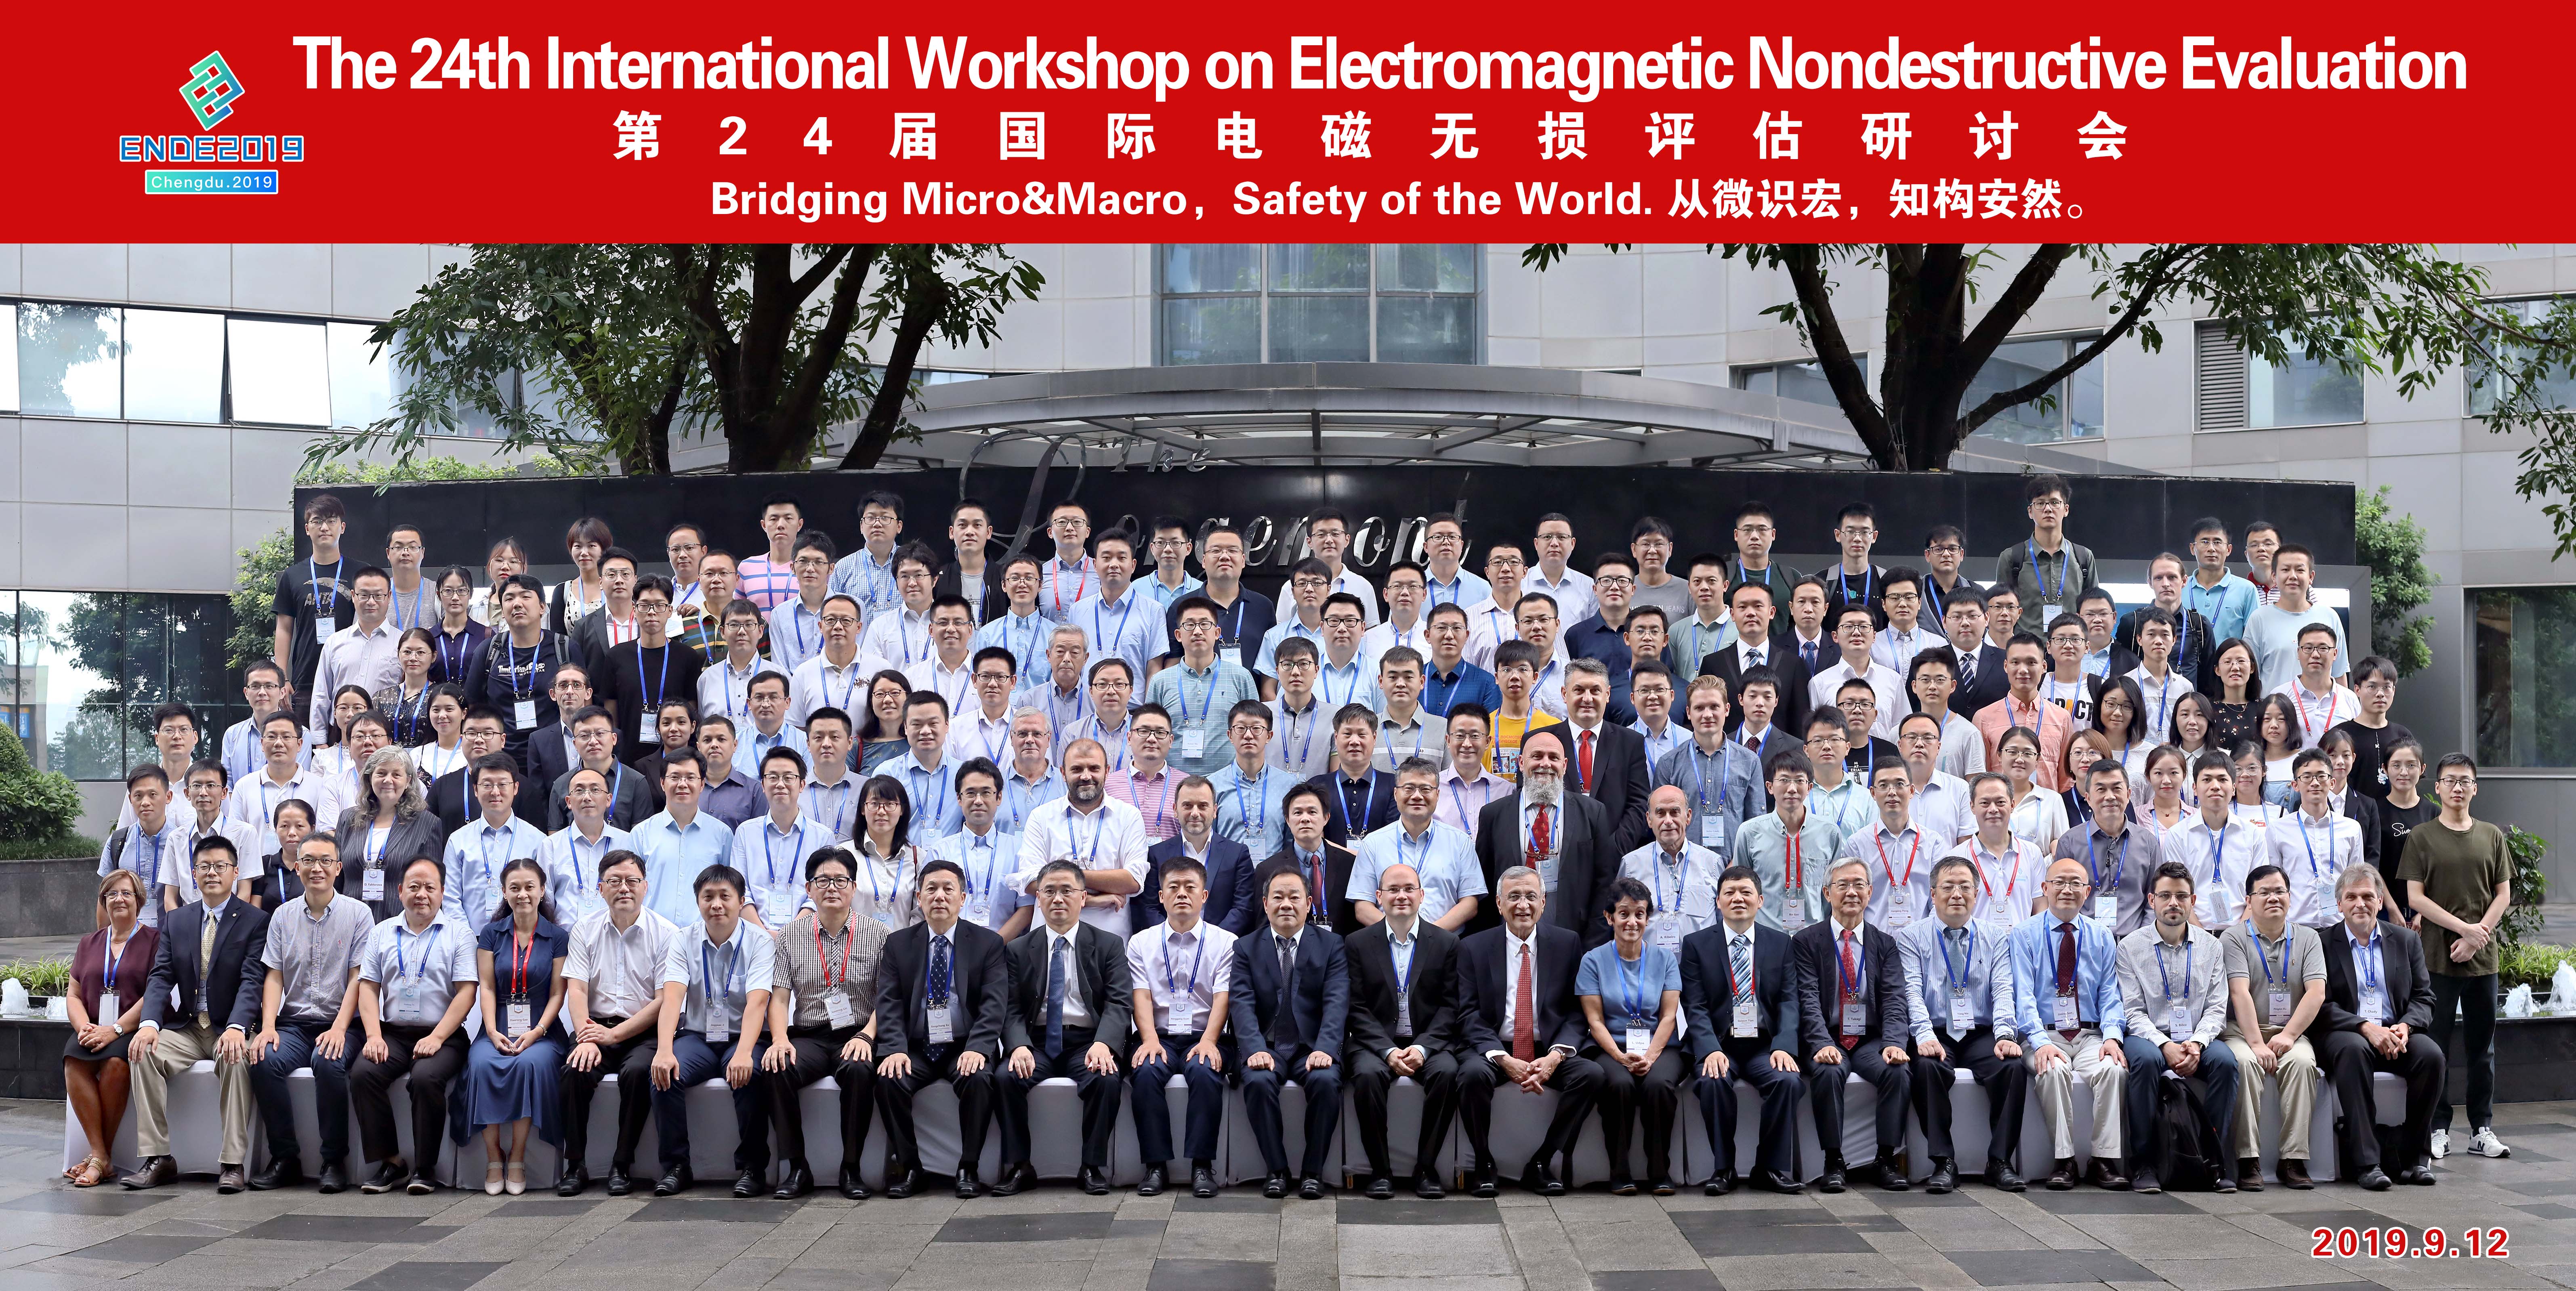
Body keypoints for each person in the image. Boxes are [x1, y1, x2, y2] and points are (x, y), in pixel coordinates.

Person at [1456, 865, 1603, 1197]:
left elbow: (1576, 1012)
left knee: (1591, 1074)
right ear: (1499, 903)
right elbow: (1468, 1013)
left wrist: (1555, 1056)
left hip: (1547, 1047)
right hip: (1495, 1047)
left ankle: (1541, 1161)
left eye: (1531, 896)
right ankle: (1483, 1162)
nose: (1523, 905)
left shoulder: (1567, 943)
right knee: (1471, 1075)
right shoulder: (1473, 947)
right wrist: (1502, 1058)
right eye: (1514, 896)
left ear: (1544, 902)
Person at [990, 860, 1133, 1197]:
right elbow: (1010, 1007)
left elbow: (1119, 1002)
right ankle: (1020, 1165)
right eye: (1050, 891)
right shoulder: (1018, 949)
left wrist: (1105, 1043)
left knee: (1106, 1078)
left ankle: (1092, 1166)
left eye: (1067, 890)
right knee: (1005, 1077)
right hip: (1037, 1042)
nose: (1058, 898)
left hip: (1087, 1041)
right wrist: (1018, 1045)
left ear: (1083, 898)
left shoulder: (1109, 944)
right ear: (1038, 898)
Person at [2399, 752, 2514, 1162]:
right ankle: (2437, 1127)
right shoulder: (2422, 836)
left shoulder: (2491, 835)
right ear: (2438, 787)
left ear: (2475, 788)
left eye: (2465, 781)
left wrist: (2476, 937)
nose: (2458, 787)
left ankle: (2482, 1127)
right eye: (2450, 780)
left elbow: (2503, 894)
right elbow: (2416, 898)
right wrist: (2463, 929)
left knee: (2483, 1048)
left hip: (2483, 961)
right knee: (2436, 1046)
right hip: (2437, 957)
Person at [873, 859, 1010, 1199]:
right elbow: (889, 1003)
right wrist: (895, 1048)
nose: (939, 896)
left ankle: (969, 1167)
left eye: (949, 889)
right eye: (931, 889)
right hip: (916, 1045)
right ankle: (910, 1166)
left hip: (964, 1043)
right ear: (919, 897)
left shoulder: (988, 943)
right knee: (888, 1078)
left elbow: (994, 1005)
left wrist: (978, 1048)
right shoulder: (898, 944)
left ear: (963, 898)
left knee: (979, 1078)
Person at [760, 846, 890, 1200]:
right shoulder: (790, 935)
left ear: (854, 887)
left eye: (840, 880)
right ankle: (797, 1167)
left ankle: (851, 1168)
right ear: (809, 888)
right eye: (823, 880)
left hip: (859, 1033)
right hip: (811, 1036)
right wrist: (780, 1039)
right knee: (777, 1067)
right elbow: (780, 998)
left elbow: (887, 998)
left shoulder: (879, 933)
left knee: (860, 1070)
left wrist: (867, 1036)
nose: (832, 887)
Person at [242, 836, 370, 1193]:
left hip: (344, 1023)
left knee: (328, 1062)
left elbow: (358, 978)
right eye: (309, 861)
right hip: (295, 1024)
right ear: (297, 867)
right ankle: (285, 1158)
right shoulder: (282, 916)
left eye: (326, 861)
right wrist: (268, 1027)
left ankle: (334, 1160)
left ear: (338, 868)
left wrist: (340, 1029)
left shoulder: (359, 914)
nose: (317, 868)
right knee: (264, 1058)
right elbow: (274, 976)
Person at [1901, 855, 2032, 1194]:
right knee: (1926, 1066)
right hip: (1936, 1031)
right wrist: (1924, 1034)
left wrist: (2006, 1034)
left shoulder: (1996, 936)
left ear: (1977, 894)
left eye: (1965, 887)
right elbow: (1911, 991)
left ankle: (1999, 1161)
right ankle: (1943, 1162)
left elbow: (2003, 988)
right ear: (1933, 893)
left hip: (1981, 1032)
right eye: (1948, 887)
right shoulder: (1910, 936)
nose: (1957, 894)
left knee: (2012, 1066)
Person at [348, 856, 475, 1195]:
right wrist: (373, 1035)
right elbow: (368, 987)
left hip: (444, 1035)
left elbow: (467, 992)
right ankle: (392, 1162)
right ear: (400, 891)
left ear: (442, 893)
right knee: (363, 1073)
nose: (422, 894)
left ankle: (425, 1167)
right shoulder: (381, 932)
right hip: (394, 1033)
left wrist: (437, 1037)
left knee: (425, 1078)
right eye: (414, 887)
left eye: (430, 887)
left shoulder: (459, 934)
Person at [649, 863, 776, 1197]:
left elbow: (758, 1002)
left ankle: (753, 1167)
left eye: (725, 896)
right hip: (697, 1037)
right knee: (664, 1072)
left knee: (752, 1073)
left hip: (742, 1037)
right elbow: (672, 998)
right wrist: (664, 1050)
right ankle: (676, 1165)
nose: (716, 904)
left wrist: (745, 1053)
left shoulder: (760, 941)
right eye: (708, 897)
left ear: (741, 901)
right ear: (698, 901)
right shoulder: (683, 939)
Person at [2113, 860, 2240, 1194]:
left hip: (2198, 1035)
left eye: (2181, 896)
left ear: (2193, 901)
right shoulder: (2129, 946)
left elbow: (2217, 1008)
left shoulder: (2212, 946)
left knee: (2226, 1062)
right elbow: (2132, 1011)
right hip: (2148, 1036)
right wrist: (2164, 1045)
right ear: (2151, 900)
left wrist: (2197, 1043)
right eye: (2165, 895)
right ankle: (2143, 1162)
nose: (2173, 903)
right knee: (2145, 1061)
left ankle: (2212, 1161)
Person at [555, 847, 676, 1197]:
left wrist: (615, 1035)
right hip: (594, 1026)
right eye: (614, 881)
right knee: (574, 1071)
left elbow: (663, 1000)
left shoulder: (666, 932)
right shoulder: (584, 929)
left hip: (644, 1032)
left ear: (646, 886)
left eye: (632, 880)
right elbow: (577, 989)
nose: (624, 888)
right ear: (600, 888)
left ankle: (622, 1164)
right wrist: (587, 1037)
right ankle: (574, 1164)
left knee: (638, 1072)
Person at [2315, 864, 2443, 1190]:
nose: (2360, 903)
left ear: (2380, 900)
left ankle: (2415, 1158)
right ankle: (2367, 1162)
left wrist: (2406, 1026)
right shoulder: (2322, 943)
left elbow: (2424, 996)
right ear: (2339, 903)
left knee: (2432, 1056)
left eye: (2368, 896)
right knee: (2353, 1050)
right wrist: (2364, 1026)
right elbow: (2320, 1005)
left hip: (2395, 1031)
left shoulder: (2405, 940)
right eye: (2351, 897)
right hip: (2347, 1034)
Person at [1677, 865, 1802, 1194]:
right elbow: (1695, 1005)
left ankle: (1768, 1167)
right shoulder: (1696, 944)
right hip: (1720, 1043)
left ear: (1760, 900)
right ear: (1718, 901)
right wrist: (1710, 1049)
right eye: (1729, 893)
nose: (1738, 898)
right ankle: (1724, 1168)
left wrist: (1783, 1045)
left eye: (1746, 892)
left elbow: (1790, 1001)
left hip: (1764, 1045)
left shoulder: (1781, 943)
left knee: (1788, 1080)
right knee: (1712, 1080)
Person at [1790, 856, 1913, 1192]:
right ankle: (1834, 1161)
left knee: (1898, 1070)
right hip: (1828, 1035)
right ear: (1827, 893)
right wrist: (1821, 1043)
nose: (1851, 892)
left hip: (1870, 1038)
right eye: (1843, 885)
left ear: (1870, 892)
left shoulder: (1885, 943)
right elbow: (1807, 999)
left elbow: (1895, 999)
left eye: (1859, 885)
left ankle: (1885, 1159)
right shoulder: (1806, 941)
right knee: (1827, 1071)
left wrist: (1894, 1043)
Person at [2007, 855, 2129, 1190]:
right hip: (2043, 1034)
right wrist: (2039, 1042)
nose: (2067, 889)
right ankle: (2065, 1161)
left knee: (2114, 1069)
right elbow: (2023, 996)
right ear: (2045, 888)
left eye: (2076, 883)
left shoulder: (2102, 935)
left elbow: (2110, 993)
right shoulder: (2024, 934)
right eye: (2059, 882)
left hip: (2090, 1034)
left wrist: (2112, 1036)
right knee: (2052, 1069)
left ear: (2088, 892)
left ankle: (2103, 1160)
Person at [1343, 862, 1462, 1200]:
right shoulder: (1357, 943)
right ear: (1379, 896)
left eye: (1409, 889)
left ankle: (1426, 1168)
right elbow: (1356, 1007)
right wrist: (1388, 1050)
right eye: (1393, 890)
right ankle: (1380, 1171)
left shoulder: (1446, 943)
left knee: (1448, 1072)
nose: (1401, 896)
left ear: (1422, 895)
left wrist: (1423, 1048)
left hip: (1428, 1042)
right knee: (1367, 1075)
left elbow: (1450, 1007)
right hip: (1374, 1043)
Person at [1126, 856, 1238, 1199]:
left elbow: (1222, 998)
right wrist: (1149, 1039)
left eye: (1191, 887)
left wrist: (1209, 1041)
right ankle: (1155, 1166)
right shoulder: (1141, 942)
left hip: (1206, 1034)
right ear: (1161, 897)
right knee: (1145, 1071)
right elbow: (1141, 996)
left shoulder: (1226, 941)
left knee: (1205, 1069)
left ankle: (1202, 1166)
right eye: (1173, 887)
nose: (1182, 894)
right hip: (1157, 1034)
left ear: (1205, 895)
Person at [462, 857, 569, 1196]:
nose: (522, 894)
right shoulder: (491, 933)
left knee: (528, 1063)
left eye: (529, 887)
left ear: (542, 891)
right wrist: (491, 1030)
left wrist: (537, 1032)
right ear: (504, 892)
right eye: (515, 888)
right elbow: (487, 986)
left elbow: (558, 993)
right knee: (481, 1063)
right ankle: (495, 1156)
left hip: (542, 1030)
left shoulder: (557, 936)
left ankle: (518, 1157)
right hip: (497, 1025)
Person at [1576, 877, 1685, 1196]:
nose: (1632, 922)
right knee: (1619, 1084)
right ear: (1609, 917)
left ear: (1648, 918)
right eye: (1624, 913)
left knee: (1658, 1085)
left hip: (1660, 1045)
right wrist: (1621, 1057)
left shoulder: (1665, 959)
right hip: (1609, 1046)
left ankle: (1659, 1170)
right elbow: (1595, 1020)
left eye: (1640, 914)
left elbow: (1669, 1016)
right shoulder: (1592, 960)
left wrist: (1649, 1057)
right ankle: (1620, 1171)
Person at [2220, 863, 2325, 1190]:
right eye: (2264, 892)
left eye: (2280, 891)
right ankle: (2247, 1158)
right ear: (2248, 900)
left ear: (2290, 896)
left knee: (2303, 1063)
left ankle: (2293, 1159)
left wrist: (2289, 1035)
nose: (2273, 897)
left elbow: (2316, 992)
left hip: (2290, 1030)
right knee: (2244, 1063)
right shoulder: (2233, 937)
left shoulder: (2308, 937)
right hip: (2243, 1031)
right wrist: (2256, 1043)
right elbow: (2239, 992)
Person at [1469, 727, 1616, 944]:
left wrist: (1591, 944)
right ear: (1521, 763)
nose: (1545, 764)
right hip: (1508, 939)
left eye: (1554, 758)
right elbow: (1484, 885)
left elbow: (1605, 883)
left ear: (1565, 765)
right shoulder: (1493, 815)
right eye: (1537, 756)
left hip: (1574, 939)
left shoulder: (1593, 813)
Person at [64, 871, 159, 1189]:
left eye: (127, 893)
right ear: (103, 901)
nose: (119, 899)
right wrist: (84, 1027)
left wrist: (115, 1029)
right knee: (73, 1060)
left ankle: (97, 1159)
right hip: (94, 1026)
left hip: (131, 1028)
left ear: (139, 901)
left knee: (117, 1063)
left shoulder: (155, 940)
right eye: (112, 894)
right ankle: (101, 1155)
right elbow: (74, 994)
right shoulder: (89, 943)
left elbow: (155, 993)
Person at [1014, 738, 1153, 935]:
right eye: (1077, 769)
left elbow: (1133, 880)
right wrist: (1092, 899)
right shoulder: (1041, 817)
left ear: (1107, 771)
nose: (1086, 776)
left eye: (1094, 769)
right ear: (1063, 773)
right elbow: (1030, 880)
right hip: (1051, 936)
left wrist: (1057, 878)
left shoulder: (1129, 817)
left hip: (1110, 938)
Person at [598, 577, 705, 765]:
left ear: (670, 611)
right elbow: (611, 713)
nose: (652, 612)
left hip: (676, 758)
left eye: (659, 606)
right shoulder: (617, 656)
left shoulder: (688, 657)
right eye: (645, 606)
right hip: (628, 757)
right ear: (634, 609)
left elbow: (692, 710)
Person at [473, 575, 578, 764]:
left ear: (542, 607)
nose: (517, 604)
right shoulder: (489, 651)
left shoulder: (564, 648)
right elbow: (474, 706)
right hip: (501, 757)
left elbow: (584, 704)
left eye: (525, 596)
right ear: (503, 610)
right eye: (509, 598)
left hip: (555, 756)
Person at [2052, 760, 2163, 938]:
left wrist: (2141, 939)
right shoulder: (2069, 843)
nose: (2110, 796)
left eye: (2117, 789)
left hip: (2135, 942)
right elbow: (2062, 899)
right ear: (2088, 798)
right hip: (2083, 941)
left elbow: (2156, 897)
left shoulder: (2148, 843)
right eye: (2101, 789)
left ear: (2128, 795)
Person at [335, 746, 447, 920]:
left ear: (408, 781)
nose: (388, 780)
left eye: (396, 775)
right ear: (370, 777)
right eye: (381, 773)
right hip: (349, 921)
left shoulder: (427, 823)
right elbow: (337, 877)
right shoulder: (348, 818)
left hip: (400, 922)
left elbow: (431, 881)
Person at [1139, 775, 1259, 936]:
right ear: (1175, 810)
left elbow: (1243, 908)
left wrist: (1211, 941)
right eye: (1187, 806)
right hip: (1168, 944)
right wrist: (1173, 938)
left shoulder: (1237, 855)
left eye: (1203, 806)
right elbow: (1149, 908)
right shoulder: (1156, 855)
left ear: (1215, 810)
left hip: (1221, 945)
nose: (1195, 813)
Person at [927, 758, 1033, 937]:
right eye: (970, 793)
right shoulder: (940, 852)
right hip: (952, 947)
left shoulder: (1019, 850)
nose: (978, 801)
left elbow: (1027, 907)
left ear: (999, 798)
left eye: (986, 793)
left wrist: (995, 945)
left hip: (1004, 949)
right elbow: (930, 905)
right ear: (959, 799)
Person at [733, 748, 836, 932]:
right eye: (773, 777)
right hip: (753, 936)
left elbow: (821, 892)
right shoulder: (745, 833)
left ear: (802, 785)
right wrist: (763, 935)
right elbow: (740, 891)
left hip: (805, 936)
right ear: (763, 785)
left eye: (788, 778)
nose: (780, 784)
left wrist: (789, 936)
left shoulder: (822, 837)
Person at [635, 751, 738, 927]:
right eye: (675, 777)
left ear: (702, 784)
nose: (683, 784)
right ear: (662, 783)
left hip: (704, 934)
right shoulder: (641, 834)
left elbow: (730, 890)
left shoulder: (722, 835)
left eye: (691, 778)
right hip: (652, 934)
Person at [1559, 659, 1652, 853]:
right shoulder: (1544, 741)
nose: (1587, 698)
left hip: (1614, 856)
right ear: (1565, 694)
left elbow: (1639, 804)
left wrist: (1613, 850)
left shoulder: (1630, 742)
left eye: (1595, 691)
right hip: (1559, 854)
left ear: (1607, 695)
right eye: (1579, 690)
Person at [442, 754, 545, 928]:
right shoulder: (458, 841)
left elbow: (543, 895)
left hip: (522, 937)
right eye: (487, 785)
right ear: (476, 790)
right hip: (470, 936)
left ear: (515, 788)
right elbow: (451, 897)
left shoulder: (537, 840)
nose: (495, 792)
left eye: (503, 785)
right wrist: (466, 938)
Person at [275, 493, 357, 707]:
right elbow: (284, 629)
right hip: (305, 680)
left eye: (332, 521)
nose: (324, 527)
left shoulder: (361, 573)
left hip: (352, 678)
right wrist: (282, 679)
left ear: (342, 527)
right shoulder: (292, 576)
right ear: (307, 529)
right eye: (317, 521)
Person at [2272, 749, 2364, 932]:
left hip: (2340, 926)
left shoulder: (2351, 829)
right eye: (2306, 777)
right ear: (2295, 785)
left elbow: (2357, 881)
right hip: (2296, 928)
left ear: (2332, 782)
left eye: (2321, 776)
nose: (2315, 783)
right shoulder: (2278, 830)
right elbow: (2274, 884)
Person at [1994, 474, 2097, 633]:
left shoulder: (2083, 557)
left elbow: (2094, 608)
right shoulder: (2012, 558)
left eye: (2055, 503)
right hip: (2026, 646)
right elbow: (2001, 610)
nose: (2048, 509)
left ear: (2066, 510)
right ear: (2030, 512)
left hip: (2070, 645)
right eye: (2040, 503)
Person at [311, 567, 405, 737]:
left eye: (378, 595)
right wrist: (320, 739)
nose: (371, 602)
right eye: (364, 595)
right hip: (339, 734)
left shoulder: (402, 644)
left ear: (389, 597)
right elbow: (321, 693)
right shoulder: (336, 642)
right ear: (353, 596)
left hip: (383, 735)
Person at [1975, 634, 2074, 793]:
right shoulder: (1984, 718)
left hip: (2047, 806)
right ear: (2006, 666)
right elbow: (1982, 776)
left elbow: (2066, 780)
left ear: (2044, 667)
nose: (2023, 670)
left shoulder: (2061, 718)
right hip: (2001, 806)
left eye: (2031, 662)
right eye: (2016, 662)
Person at [2242, 546, 2348, 691]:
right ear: (2274, 576)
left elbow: (2339, 673)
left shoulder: (2329, 617)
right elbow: (2250, 675)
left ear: (2311, 577)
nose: (2293, 576)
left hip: (2321, 706)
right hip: (2273, 705)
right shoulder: (2259, 619)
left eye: (2300, 570)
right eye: (2286, 570)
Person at [1070, 531, 1160, 686]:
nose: (1114, 564)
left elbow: (1154, 669)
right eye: (1106, 558)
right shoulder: (1077, 611)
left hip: (1134, 701)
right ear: (1095, 565)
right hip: (1087, 700)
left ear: (1133, 565)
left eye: (1122, 558)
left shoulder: (1153, 611)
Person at [1961, 773, 2044, 928]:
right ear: (1972, 807)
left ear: (2012, 805)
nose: (1993, 809)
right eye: (1985, 803)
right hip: (1976, 942)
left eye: (2000, 802)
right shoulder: (1958, 857)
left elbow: (2040, 907)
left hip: (2021, 942)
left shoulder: (2032, 853)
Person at [1210, 702, 1291, 861]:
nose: (1248, 735)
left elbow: (1291, 840)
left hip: (1275, 872)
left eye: (1256, 728)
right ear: (1230, 736)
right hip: (1228, 872)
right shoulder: (1213, 785)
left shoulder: (1289, 785)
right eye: (1241, 728)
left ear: (1269, 736)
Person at [791, 595, 882, 732]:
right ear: (821, 626)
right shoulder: (803, 673)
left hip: (867, 746)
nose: (838, 626)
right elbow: (796, 728)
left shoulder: (880, 669)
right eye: (831, 620)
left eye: (846, 621)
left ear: (859, 627)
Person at [851, 775, 926, 930]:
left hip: (904, 944)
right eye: (874, 804)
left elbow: (920, 912)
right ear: (863, 809)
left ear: (902, 810)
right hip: (857, 943)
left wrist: (905, 941)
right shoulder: (846, 855)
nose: (882, 811)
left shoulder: (917, 858)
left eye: (890, 804)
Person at [2269, 625, 2360, 752]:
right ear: (2298, 653)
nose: (2315, 655)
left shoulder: (2349, 699)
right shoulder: (2280, 695)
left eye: (2323, 648)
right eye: (2308, 648)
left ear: (2335, 654)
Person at [1436, 705, 1511, 842]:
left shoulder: (1506, 791)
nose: (1467, 744)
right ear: (1448, 741)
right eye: (1460, 736)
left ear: (1487, 742)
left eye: (1475, 736)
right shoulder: (1433, 787)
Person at [829, 491, 910, 618]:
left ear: (899, 526)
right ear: (862, 526)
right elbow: (831, 612)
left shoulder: (912, 563)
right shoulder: (844, 567)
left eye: (885, 518)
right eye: (871, 518)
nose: (877, 524)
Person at [767, 531, 838, 677]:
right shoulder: (780, 615)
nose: (810, 569)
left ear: (831, 568)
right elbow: (780, 668)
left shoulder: (850, 609)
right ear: (793, 568)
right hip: (793, 689)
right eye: (803, 561)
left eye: (818, 562)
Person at [1906, 650, 1986, 779]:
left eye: (1940, 680)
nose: (1932, 686)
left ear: (1953, 686)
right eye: (1925, 680)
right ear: (1914, 686)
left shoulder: (1969, 734)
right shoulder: (1900, 732)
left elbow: (1975, 786)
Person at [1369, 647, 1448, 774]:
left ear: (1422, 682)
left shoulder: (1443, 728)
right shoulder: (1368, 728)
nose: (1401, 684)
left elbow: (1449, 781)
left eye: (1408, 677)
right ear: (1381, 681)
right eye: (1393, 677)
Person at [2183, 518, 2260, 646]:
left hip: (2230, 659)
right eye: (2205, 542)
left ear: (2229, 549)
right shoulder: (2180, 588)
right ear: (2193, 548)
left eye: (2218, 542)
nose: (2211, 548)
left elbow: (2254, 640)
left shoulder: (2246, 590)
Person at [1420, 603, 1503, 719]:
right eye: (1442, 628)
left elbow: (1492, 727)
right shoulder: (1413, 679)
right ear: (1428, 635)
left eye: (1457, 628)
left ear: (1467, 636)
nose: (1449, 635)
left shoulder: (1486, 683)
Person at [1996, 725, 2069, 855]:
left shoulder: (2052, 800)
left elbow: (2064, 848)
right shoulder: (1986, 798)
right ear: (1999, 756)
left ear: (2037, 760)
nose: (2020, 759)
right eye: (2012, 752)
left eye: (2028, 754)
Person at [937, 498, 1007, 623]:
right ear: (952, 532)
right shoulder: (938, 579)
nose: (970, 532)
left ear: (989, 532)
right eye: (963, 525)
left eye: (977, 525)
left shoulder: (1005, 577)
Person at [545, 517, 614, 635]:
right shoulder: (563, 591)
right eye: (578, 546)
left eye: (591, 546)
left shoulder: (616, 586)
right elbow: (558, 637)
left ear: (604, 549)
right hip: (573, 648)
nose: (584, 553)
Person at [376, 630, 441, 749]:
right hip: (389, 759)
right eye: (407, 652)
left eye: (421, 653)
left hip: (429, 759)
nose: (413, 658)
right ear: (399, 655)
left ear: (434, 656)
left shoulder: (440, 697)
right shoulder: (381, 698)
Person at [1038, 502, 1098, 621]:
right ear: (1050, 532)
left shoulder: (1101, 571)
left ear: (1088, 532)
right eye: (1062, 522)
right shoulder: (1039, 574)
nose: (1070, 528)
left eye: (1077, 522)